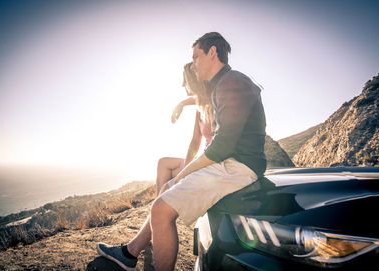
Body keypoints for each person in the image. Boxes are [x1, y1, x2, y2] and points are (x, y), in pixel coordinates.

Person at [97, 32, 267, 271]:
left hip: (237, 167)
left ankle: (131, 253)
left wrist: (180, 176)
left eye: (196, 57)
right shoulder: (223, 84)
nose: (194, 65)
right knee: (161, 204)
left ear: (212, 53)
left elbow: (223, 145)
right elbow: (200, 102)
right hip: (231, 163)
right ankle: (131, 253)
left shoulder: (232, 82)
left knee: (161, 208)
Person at [155, 62, 213, 194]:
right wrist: (186, 167)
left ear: (194, 80)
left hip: (211, 161)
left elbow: (207, 97)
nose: (182, 84)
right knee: (163, 163)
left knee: (169, 184)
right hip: (201, 159)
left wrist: (183, 103)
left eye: (185, 80)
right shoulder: (200, 110)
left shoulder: (214, 104)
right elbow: (194, 142)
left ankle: (163, 204)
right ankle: (160, 203)